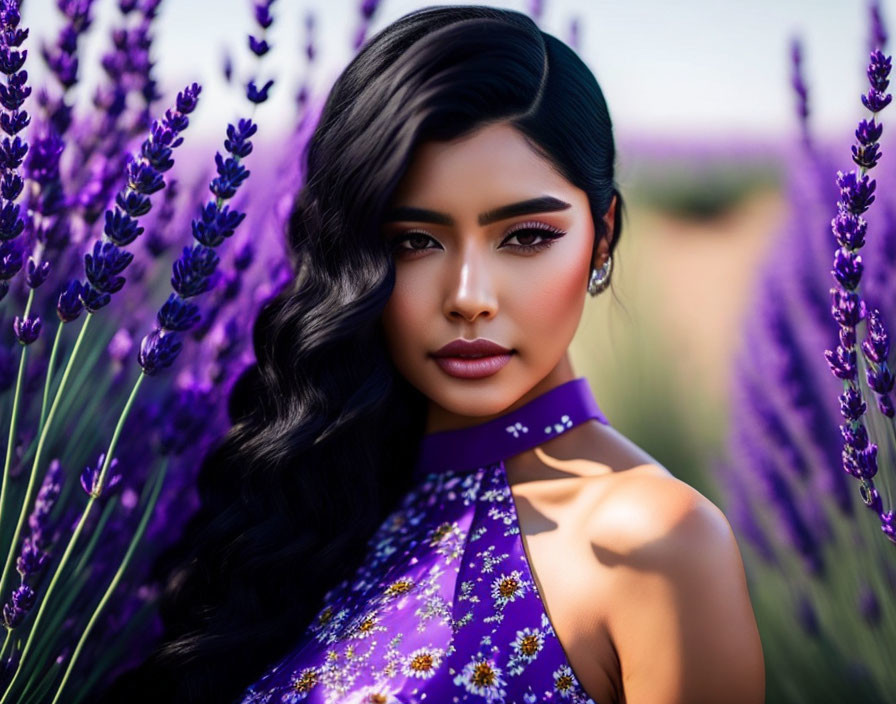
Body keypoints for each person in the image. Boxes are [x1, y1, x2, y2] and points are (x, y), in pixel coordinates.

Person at [96, 5, 765, 703]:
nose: (469, 297)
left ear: (602, 239)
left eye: (527, 235)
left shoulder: (654, 542)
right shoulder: (316, 504)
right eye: (415, 241)